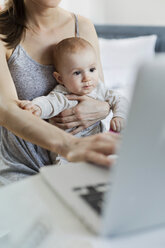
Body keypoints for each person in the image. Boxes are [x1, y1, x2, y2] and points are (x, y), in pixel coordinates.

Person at [0, 0, 119, 185]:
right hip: (22, 169)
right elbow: (6, 109)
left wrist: (104, 108)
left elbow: (98, 92)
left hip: (78, 168)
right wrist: (70, 145)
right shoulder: (2, 29)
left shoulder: (83, 27)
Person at [18, 37, 128, 164]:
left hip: (97, 145)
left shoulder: (99, 89)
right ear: (60, 78)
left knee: (111, 162)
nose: (87, 78)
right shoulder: (63, 94)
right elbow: (49, 103)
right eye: (77, 73)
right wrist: (36, 107)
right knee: (65, 174)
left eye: (92, 70)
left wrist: (119, 116)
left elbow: (119, 99)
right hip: (66, 153)